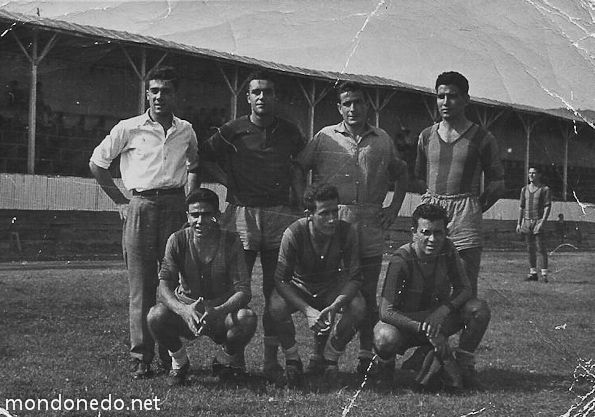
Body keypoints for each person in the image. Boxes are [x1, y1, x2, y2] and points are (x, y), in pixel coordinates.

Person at [89, 66, 199, 379]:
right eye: (154, 91)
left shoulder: (186, 130)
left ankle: (170, 354)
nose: (159, 96)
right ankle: (141, 358)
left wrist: (189, 202)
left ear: (176, 95)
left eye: (166, 90)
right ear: (146, 94)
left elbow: (194, 165)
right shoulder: (129, 127)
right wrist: (122, 202)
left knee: (171, 284)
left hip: (175, 207)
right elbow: (97, 163)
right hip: (141, 205)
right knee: (141, 286)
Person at [196, 70, 306, 381]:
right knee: (237, 289)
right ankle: (236, 360)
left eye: (267, 92)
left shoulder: (290, 132)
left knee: (276, 290)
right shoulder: (232, 130)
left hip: (278, 215)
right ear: (248, 97)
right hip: (242, 214)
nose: (262, 97)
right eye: (256, 92)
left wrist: (298, 202)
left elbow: (299, 166)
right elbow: (203, 157)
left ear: (275, 97)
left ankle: (272, 361)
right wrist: (227, 181)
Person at [296, 81, 408, 375]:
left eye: (358, 102)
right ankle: (318, 357)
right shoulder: (324, 137)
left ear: (367, 105)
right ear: (339, 108)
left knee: (367, 296)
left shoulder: (382, 139)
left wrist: (394, 208)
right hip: (331, 228)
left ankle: (365, 354)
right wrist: (306, 206)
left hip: (369, 226)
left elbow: (402, 173)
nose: (353, 108)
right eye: (347, 103)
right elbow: (299, 167)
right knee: (329, 295)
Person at [374, 203, 491, 390]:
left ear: (446, 232)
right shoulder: (401, 259)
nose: (432, 239)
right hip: (406, 324)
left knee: (478, 309)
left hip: (436, 319)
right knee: (384, 337)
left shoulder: (448, 248)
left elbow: (465, 288)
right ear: (414, 232)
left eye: (438, 232)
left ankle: (462, 366)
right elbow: (386, 312)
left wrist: (443, 311)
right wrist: (426, 329)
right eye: (426, 232)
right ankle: (384, 369)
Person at [147, 188, 257, 386]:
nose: (200, 221)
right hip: (188, 309)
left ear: (217, 215)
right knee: (155, 315)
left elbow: (244, 290)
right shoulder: (177, 240)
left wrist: (217, 311)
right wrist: (183, 310)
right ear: (187, 215)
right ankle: (179, 362)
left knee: (246, 319)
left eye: (206, 214)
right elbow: (163, 286)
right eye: (194, 215)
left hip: (220, 312)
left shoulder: (231, 241)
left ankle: (223, 361)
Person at [415, 71, 505, 296]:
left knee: (464, 286)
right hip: (434, 212)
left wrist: (475, 206)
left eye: (452, 96)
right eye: (440, 96)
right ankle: (429, 331)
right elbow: (418, 177)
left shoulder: (482, 137)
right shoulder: (426, 136)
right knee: (426, 282)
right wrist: (429, 203)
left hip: (465, 213)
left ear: (466, 99)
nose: (445, 102)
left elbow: (498, 182)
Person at [269, 183, 365, 387]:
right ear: (309, 214)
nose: (332, 219)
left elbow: (355, 277)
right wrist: (308, 310)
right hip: (300, 287)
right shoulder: (293, 233)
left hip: (331, 288)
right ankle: (293, 360)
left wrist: (335, 305)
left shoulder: (347, 231)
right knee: (276, 305)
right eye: (324, 213)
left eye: (334, 211)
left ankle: (330, 359)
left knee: (358, 305)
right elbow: (280, 279)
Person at [516, 167, 551, 282]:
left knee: (541, 248)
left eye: (534, 173)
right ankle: (533, 273)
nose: (531, 175)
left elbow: (547, 206)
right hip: (526, 221)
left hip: (538, 221)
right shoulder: (524, 189)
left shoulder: (544, 189)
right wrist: (519, 223)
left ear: (539, 175)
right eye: (529, 173)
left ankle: (544, 275)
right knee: (529, 248)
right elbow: (521, 207)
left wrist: (542, 222)